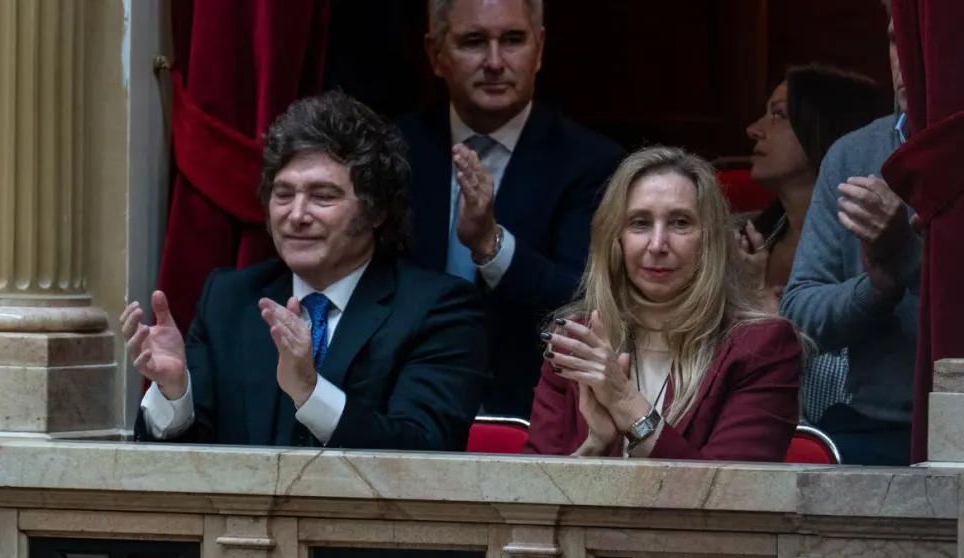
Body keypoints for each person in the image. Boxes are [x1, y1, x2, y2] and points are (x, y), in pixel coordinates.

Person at [125, 90, 489, 451]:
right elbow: (189, 460)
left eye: (323, 196)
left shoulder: (440, 310)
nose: (296, 216)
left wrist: (311, 393)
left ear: (376, 210)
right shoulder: (229, 299)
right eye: (283, 195)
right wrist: (174, 393)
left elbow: (424, 451)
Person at [397, 0, 625, 418]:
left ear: (539, 48)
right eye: (474, 41)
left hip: (532, 408)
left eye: (513, 40)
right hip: (399, 401)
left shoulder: (592, 162)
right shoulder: (393, 152)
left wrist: (490, 243)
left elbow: (581, 305)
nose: (495, 61)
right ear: (436, 54)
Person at [523, 147, 803, 461]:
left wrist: (626, 403)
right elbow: (536, 496)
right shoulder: (576, 344)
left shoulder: (759, 347)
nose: (657, 245)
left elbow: (731, 497)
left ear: (709, 240)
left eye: (680, 223)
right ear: (616, 238)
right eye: (640, 223)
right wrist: (595, 448)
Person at [779, 0, 921, 466]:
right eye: (897, 39)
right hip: (875, 424)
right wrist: (874, 290)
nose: (906, 59)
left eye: (921, 42)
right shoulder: (853, 155)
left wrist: (905, 253)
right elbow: (799, 311)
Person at [738, 64, 884, 425]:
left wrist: (776, 324)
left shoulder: (875, 237)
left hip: (839, 434)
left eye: (779, 115)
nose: (754, 130)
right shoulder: (743, 241)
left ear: (825, 126)